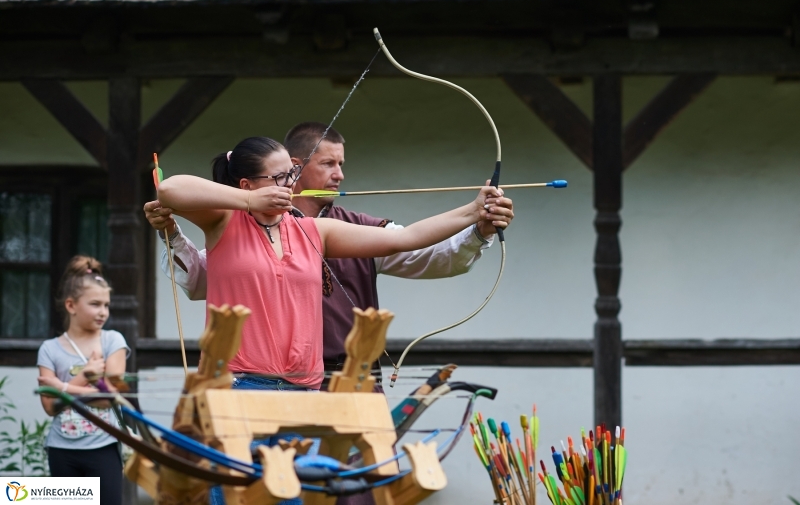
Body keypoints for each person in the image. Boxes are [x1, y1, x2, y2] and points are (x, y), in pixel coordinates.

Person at [145, 122, 514, 384]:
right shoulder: (224, 222)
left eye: (290, 175)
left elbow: (408, 239)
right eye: (279, 178)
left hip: (306, 386)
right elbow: (172, 190)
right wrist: (248, 201)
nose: (289, 184)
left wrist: (474, 212)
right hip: (240, 383)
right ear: (247, 184)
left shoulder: (315, 230)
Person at [37, 256, 129, 505]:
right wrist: (83, 377)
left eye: (106, 305)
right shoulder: (49, 349)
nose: (103, 312)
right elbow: (49, 406)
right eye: (96, 304)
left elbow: (108, 398)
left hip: (104, 447)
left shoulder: (113, 342)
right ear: (71, 305)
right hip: (61, 450)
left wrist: (61, 388)